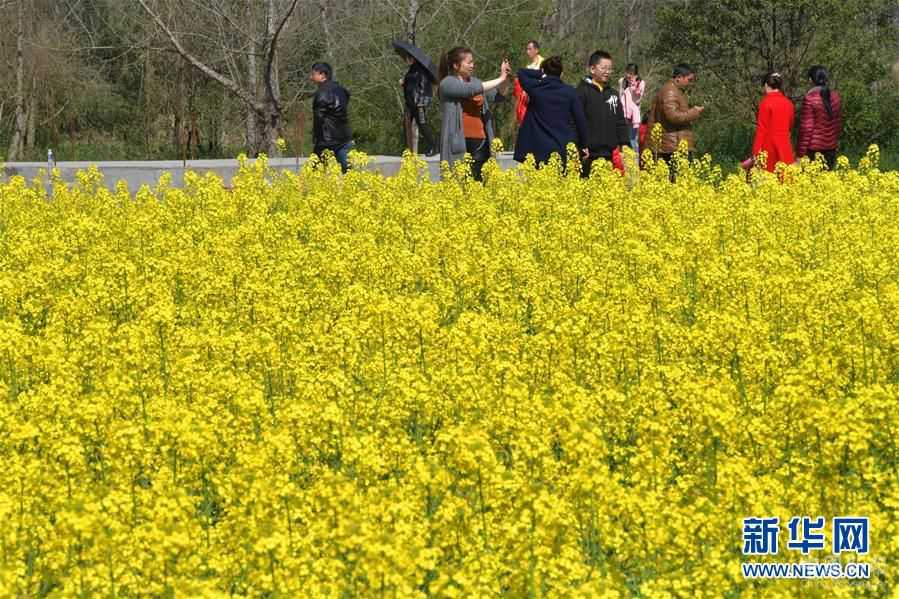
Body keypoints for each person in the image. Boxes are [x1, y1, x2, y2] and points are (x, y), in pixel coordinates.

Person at [438, 47, 510, 181]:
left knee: (479, 182)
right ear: (456, 65)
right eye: (469, 62)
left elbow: (499, 96)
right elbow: (469, 90)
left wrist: (505, 78)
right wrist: (500, 78)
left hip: (480, 141)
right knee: (459, 182)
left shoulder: (476, 82)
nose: (472, 65)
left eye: (473, 62)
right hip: (458, 142)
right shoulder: (447, 83)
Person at [513, 56, 588, 167]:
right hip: (562, 147)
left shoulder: (535, 89)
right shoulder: (570, 92)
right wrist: (584, 145)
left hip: (537, 149)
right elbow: (580, 121)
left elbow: (521, 72)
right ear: (561, 73)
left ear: (544, 71)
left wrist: (541, 73)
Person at [575, 50, 630, 178]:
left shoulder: (613, 94)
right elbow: (575, 122)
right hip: (588, 154)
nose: (607, 72)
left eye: (610, 69)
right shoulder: (581, 92)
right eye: (603, 68)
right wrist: (580, 145)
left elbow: (620, 122)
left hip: (609, 153)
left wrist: (625, 145)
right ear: (592, 69)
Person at [646, 63, 704, 178]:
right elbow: (673, 116)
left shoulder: (675, 90)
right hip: (673, 146)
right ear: (679, 77)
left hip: (675, 145)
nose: (691, 83)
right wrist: (694, 112)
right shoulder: (670, 91)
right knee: (676, 180)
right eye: (689, 80)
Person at [797, 65, 842, 170]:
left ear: (810, 80)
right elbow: (837, 123)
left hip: (813, 150)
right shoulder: (835, 97)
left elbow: (806, 128)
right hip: (831, 149)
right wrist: (835, 143)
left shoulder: (809, 98)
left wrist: (800, 153)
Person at [310, 62, 353, 173]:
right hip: (344, 137)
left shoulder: (321, 93)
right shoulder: (342, 89)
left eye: (313, 74)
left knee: (315, 173)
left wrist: (316, 137)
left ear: (322, 75)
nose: (311, 77)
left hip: (326, 140)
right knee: (349, 172)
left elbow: (319, 119)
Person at [748, 72, 795, 172]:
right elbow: (790, 127)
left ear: (766, 85)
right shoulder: (789, 104)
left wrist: (755, 152)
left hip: (769, 148)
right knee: (785, 177)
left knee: (769, 176)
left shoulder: (765, 103)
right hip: (785, 146)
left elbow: (761, 130)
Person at [400, 53, 437, 155]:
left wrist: (421, 102)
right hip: (409, 102)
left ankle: (433, 146)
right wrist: (404, 83)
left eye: (408, 58)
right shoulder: (411, 69)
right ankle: (408, 150)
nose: (406, 60)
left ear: (414, 58)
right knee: (406, 124)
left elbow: (423, 87)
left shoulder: (421, 70)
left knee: (422, 124)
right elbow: (412, 86)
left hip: (418, 103)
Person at [513, 40, 544, 126]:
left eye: (530, 49)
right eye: (527, 49)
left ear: (536, 50)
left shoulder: (543, 63)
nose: (527, 52)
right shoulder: (528, 67)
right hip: (527, 101)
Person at [618, 63, 645, 155]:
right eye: (627, 73)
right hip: (623, 114)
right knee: (622, 138)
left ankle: (634, 158)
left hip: (633, 116)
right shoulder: (622, 81)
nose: (629, 75)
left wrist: (633, 87)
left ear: (636, 74)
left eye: (631, 74)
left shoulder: (640, 83)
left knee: (632, 139)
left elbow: (637, 100)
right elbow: (620, 96)